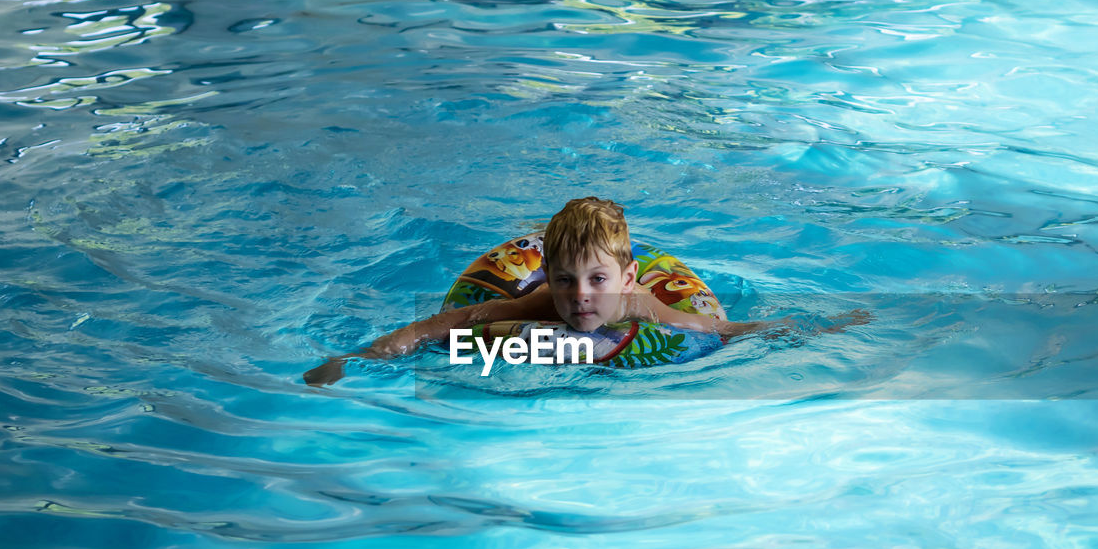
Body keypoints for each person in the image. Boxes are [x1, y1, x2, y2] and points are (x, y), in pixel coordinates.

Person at [304, 197, 868, 385]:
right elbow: (449, 325)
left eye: (597, 280)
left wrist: (819, 330)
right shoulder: (542, 302)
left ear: (624, 278)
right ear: (547, 275)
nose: (580, 298)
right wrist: (355, 358)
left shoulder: (642, 307)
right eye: (566, 279)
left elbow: (726, 332)